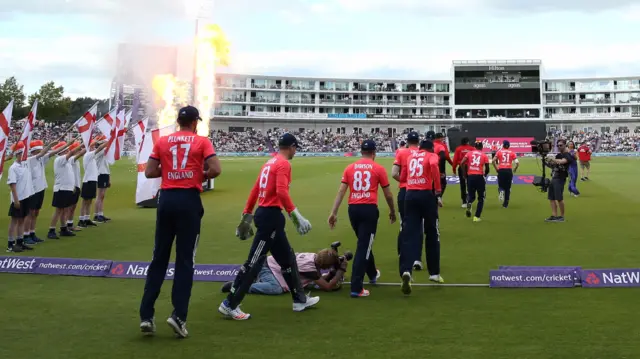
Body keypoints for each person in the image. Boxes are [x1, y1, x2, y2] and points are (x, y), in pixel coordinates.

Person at [139, 106, 222, 338]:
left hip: (166, 200)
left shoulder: (163, 142)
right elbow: (216, 169)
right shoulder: (202, 141)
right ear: (195, 122)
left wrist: (169, 172)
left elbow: (149, 172)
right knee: (185, 261)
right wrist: (199, 174)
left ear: (178, 121)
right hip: (188, 200)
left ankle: (146, 316)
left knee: (159, 258)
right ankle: (178, 316)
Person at [220, 133, 318, 321]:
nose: (295, 152)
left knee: (287, 259)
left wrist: (247, 214)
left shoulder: (269, 163)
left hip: (267, 215)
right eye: (295, 148)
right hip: (270, 217)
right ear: (292, 147)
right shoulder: (283, 164)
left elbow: (255, 190)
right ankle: (229, 304)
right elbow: (281, 191)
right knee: (254, 262)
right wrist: (295, 215)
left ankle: (300, 299)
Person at [328, 140, 396, 297]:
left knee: (364, 242)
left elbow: (341, 191)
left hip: (353, 210)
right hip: (369, 210)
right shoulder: (378, 168)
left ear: (361, 152)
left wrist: (334, 212)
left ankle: (372, 274)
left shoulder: (350, 168)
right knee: (363, 247)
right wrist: (392, 211)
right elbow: (388, 194)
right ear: (374, 153)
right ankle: (356, 287)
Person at [399, 139, 442, 295]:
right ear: (430, 149)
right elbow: (434, 167)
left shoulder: (411, 157)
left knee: (409, 234)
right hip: (425, 194)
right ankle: (434, 273)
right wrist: (437, 190)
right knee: (432, 232)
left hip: (409, 195)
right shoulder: (431, 156)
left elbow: (403, 176)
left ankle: (406, 270)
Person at [220, 248, 348, 295]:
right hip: (269, 267)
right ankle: (238, 286)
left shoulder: (314, 257)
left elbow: (320, 279)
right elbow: (327, 287)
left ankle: (256, 277)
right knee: (276, 289)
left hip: (272, 266)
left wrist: (332, 274)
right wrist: (341, 270)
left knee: (305, 284)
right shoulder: (310, 269)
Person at [391, 132, 419, 256]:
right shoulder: (423, 153)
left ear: (407, 141)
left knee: (404, 224)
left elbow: (394, 173)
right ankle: (415, 255)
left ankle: (401, 252)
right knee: (418, 225)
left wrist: (405, 181)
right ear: (418, 141)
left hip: (405, 191)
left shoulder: (401, 152)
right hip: (419, 190)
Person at [48, 141, 82, 239]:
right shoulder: (59, 159)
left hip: (66, 188)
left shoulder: (66, 161)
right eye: (66, 150)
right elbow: (72, 153)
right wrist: (83, 144)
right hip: (61, 188)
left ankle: (64, 228)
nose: (68, 151)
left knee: (63, 210)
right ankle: (51, 229)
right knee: (58, 210)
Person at [6, 143, 34, 253]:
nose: (24, 155)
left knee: (22, 219)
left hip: (26, 196)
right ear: (18, 154)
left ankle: (20, 241)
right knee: (14, 220)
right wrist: (16, 200)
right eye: (22, 153)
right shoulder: (13, 168)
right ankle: (10, 244)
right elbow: (12, 185)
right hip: (18, 198)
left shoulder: (24, 164)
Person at [78, 137, 109, 227]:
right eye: (92, 146)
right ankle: (81, 219)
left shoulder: (91, 156)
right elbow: (100, 148)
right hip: (87, 180)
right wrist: (108, 141)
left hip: (92, 180)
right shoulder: (88, 155)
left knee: (89, 201)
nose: (94, 147)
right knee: (85, 201)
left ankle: (87, 218)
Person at [544, 139, 575, 222]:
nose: (559, 147)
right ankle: (554, 215)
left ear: (565, 145)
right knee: (551, 197)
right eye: (558, 145)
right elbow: (554, 166)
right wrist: (546, 162)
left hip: (561, 178)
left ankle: (562, 216)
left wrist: (552, 159)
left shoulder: (567, 155)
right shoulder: (558, 155)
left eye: (561, 145)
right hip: (554, 177)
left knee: (559, 198)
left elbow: (562, 162)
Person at [460, 141, 490, 222]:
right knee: (481, 198)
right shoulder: (484, 155)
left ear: (475, 147)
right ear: (482, 147)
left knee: (471, 195)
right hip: (479, 177)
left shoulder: (469, 153)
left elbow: (462, 163)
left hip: (471, 177)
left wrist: (464, 173)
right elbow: (487, 168)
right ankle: (476, 216)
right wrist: (485, 175)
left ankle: (469, 202)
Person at [493, 140, 519, 208]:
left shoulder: (499, 151)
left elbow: (493, 161)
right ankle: (505, 204)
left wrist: (496, 169)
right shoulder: (512, 153)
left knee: (501, 185)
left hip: (501, 170)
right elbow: (517, 163)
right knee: (508, 188)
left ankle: (501, 191)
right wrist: (515, 169)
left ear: (503, 145)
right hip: (508, 170)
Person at [68, 144, 86, 232]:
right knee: (70, 207)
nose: (80, 151)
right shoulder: (71, 159)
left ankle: (69, 224)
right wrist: (87, 144)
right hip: (73, 186)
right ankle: (67, 224)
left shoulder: (76, 161)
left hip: (76, 185)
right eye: (78, 149)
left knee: (73, 206)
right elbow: (81, 153)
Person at [452, 137, 475, 208]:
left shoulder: (458, 149)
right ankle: (470, 200)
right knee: (470, 184)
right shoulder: (472, 149)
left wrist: (454, 170)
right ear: (468, 142)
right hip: (470, 168)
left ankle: (464, 201)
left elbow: (455, 160)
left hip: (461, 168)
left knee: (462, 185)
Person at [94, 135, 111, 223]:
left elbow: (107, 166)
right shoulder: (98, 152)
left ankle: (100, 213)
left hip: (105, 174)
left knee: (102, 196)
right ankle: (97, 214)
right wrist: (112, 139)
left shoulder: (103, 152)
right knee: (100, 195)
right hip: (101, 174)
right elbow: (105, 146)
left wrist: (109, 178)